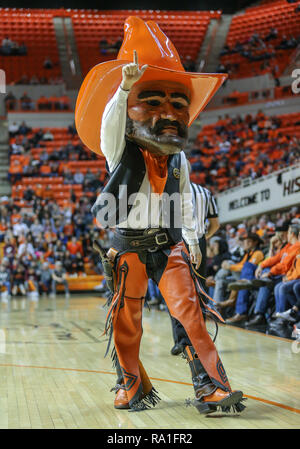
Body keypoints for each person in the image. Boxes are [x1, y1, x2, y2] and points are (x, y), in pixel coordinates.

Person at [75, 16, 245, 414]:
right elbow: (111, 123)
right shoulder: (118, 147)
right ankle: (129, 386)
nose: (168, 112)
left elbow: (184, 202)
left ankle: (212, 387)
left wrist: (190, 239)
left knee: (192, 316)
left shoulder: (179, 158)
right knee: (125, 320)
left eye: (178, 102)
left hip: (169, 244)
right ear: (134, 107)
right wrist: (124, 87)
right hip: (128, 246)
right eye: (152, 100)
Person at [170, 181, 220, 355]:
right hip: (199, 242)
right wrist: (203, 238)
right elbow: (215, 224)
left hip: (176, 244)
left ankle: (181, 341)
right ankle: (200, 339)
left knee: (176, 291)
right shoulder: (205, 191)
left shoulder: (170, 188)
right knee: (199, 290)